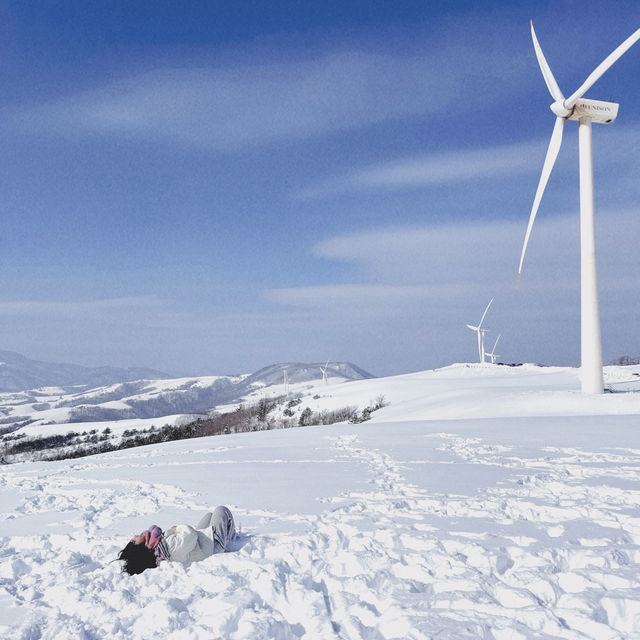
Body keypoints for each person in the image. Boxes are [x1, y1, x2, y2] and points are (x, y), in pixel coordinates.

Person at [118, 505, 236, 575]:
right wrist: (177, 528)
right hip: (212, 545)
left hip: (200, 543)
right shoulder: (166, 548)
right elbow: (190, 536)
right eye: (134, 541)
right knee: (221, 510)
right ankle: (232, 538)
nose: (134, 537)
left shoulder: (157, 546)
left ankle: (225, 532)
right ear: (139, 548)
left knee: (209, 516)